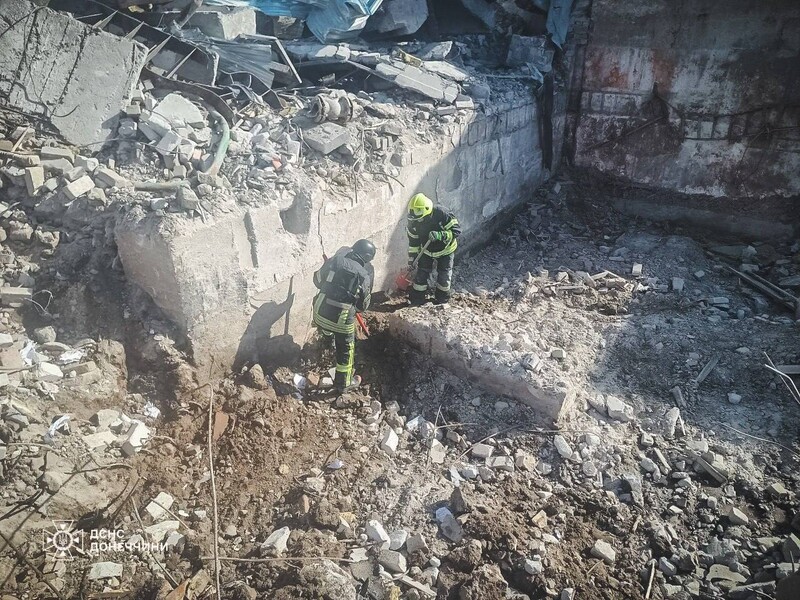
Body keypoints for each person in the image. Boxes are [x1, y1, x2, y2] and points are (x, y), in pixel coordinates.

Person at [312, 239, 376, 393]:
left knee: (326, 322)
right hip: (341, 321)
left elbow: (317, 280)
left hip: (319, 315)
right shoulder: (364, 275)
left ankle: (327, 340)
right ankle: (343, 384)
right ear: (367, 257)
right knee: (346, 349)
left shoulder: (335, 260)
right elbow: (363, 306)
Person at [406, 193, 461, 305]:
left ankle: (442, 300)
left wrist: (441, 235)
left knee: (444, 275)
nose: (418, 221)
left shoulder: (442, 214)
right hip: (426, 251)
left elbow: (456, 231)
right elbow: (413, 242)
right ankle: (417, 299)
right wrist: (412, 258)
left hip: (446, 250)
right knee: (421, 273)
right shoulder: (413, 223)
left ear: (427, 212)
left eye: (420, 219)